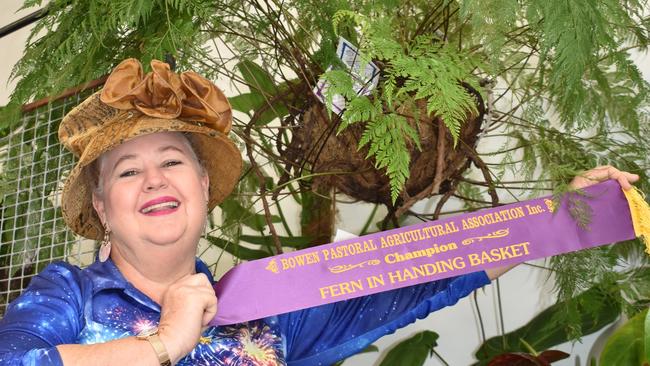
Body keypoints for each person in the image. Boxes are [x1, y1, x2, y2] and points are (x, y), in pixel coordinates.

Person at [0, 58, 640, 366]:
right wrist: (166, 343)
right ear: (102, 209)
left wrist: (559, 217)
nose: (154, 180)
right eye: (128, 171)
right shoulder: (68, 296)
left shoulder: (272, 303)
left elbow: (422, 276)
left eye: (172, 160)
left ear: (200, 184)